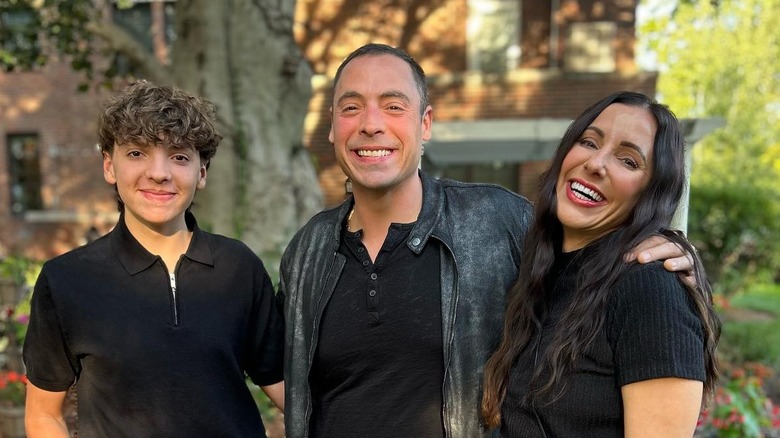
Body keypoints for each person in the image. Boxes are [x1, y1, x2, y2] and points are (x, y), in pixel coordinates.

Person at [278, 43, 696, 438]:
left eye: (393, 106)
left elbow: (593, 249)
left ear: (425, 124)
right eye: (351, 108)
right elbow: (275, 366)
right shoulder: (307, 252)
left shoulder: (498, 220)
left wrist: (671, 247)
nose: (371, 124)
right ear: (331, 127)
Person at [23, 81, 285, 437]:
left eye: (179, 156)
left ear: (202, 172)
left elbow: (288, 389)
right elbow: (43, 415)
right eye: (136, 153)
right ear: (109, 166)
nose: (159, 173)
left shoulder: (238, 267)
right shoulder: (66, 279)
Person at [481, 91, 720, 437]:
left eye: (628, 161)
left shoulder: (650, 289)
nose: (596, 163)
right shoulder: (542, 273)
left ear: (651, 194)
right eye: (590, 143)